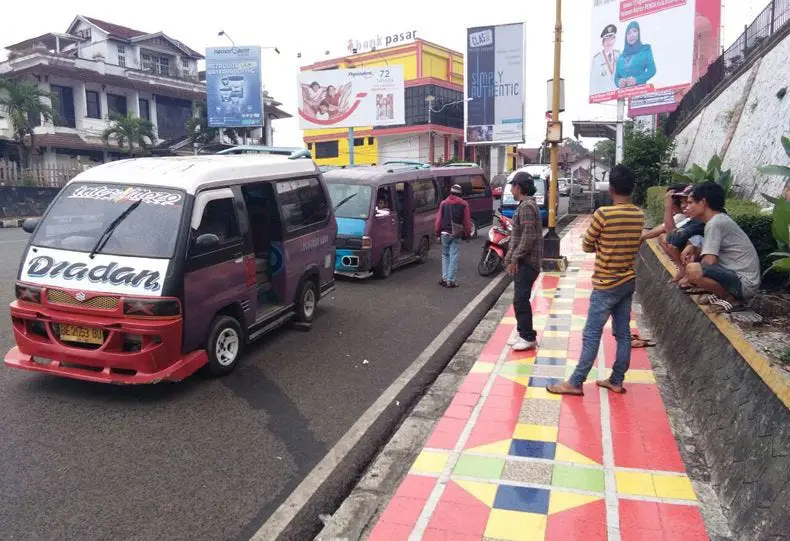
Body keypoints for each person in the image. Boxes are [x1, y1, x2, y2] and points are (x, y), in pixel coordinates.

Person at [548, 165, 645, 396]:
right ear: (632, 188)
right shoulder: (638, 214)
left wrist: (604, 244)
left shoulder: (603, 214)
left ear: (610, 188)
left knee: (592, 333)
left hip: (604, 284)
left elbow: (586, 245)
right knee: (622, 333)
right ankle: (617, 380)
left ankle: (576, 382)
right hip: (627, 282)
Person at [683, 182, 761, 310]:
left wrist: (689, 277)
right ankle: (718, 293)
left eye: (691, 202)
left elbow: (709, 261)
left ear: (703, 203)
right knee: (694, 267)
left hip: (743, 283)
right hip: (739, 279)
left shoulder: (716, 223)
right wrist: (694, 250)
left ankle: (727, 298)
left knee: (693, 270)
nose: (687, 207)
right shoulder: (718, 220)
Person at [504, 172, 544, 351]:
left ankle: (528, 337)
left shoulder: (527, 207)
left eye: (512, 186)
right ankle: (523, 334)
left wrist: (514, 258)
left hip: (527, 262)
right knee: (519, 299)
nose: (511, 190)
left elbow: (528, 237)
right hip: (525, 261)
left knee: (521, 300)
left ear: (518, 187)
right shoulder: (525, 205)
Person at [435, 184, 472, 288]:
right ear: (460, 194)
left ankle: (444, 278)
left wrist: (437, 233)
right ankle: (451, 280)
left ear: (450, 193)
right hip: (456, 234)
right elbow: (466, 221)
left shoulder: (443, 203)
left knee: (445, 255)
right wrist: (468, 234)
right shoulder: (464, 204)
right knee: (453, 256)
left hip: (444, 234)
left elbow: (438, 220)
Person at [614, 21, 657, 88]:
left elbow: (652, 70)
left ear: (638, 33)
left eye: (635, 31)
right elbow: (616, 77)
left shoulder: (645, 50)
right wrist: (618, 82)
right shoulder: (621, 57)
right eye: (628, 33)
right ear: (626, 37)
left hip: (640, 93)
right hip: (623, 95)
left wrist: (637, 80)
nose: (632, 35)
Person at [590, 24, 621, 95]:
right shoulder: (597, 59)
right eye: (606, 39)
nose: (609, 42)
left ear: (614, 40)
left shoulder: (619, 55)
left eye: (611, 38)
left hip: (618, 95)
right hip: (604, 97)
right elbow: (593, 82)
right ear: (603, 42)